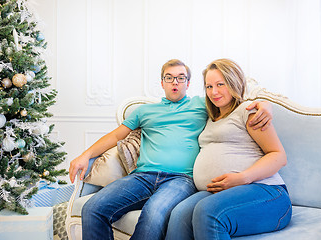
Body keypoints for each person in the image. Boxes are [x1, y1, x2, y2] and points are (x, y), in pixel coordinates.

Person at [69, 59, 273, 240]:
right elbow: (115, 136)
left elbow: (238, 98)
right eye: (169, 78)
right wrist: (84, 155)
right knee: (93, 209)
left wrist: (265, 104)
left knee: (154, 215)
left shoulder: (204, 104)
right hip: (142, 177)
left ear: (188, 83)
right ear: (162, 83)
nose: (175, 82)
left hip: (181, 179)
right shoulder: (144, 111)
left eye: (181, 78)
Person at [165, 59, 292, 240]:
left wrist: (242, 178)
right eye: (208, 87)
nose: (214, 92)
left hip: (266, 193)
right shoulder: (211, 116)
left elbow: (279, 156)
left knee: (207, 211)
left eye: (220, 84)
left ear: (234, 83)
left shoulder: (248, 112)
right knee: (179, 215)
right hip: (219, 193)